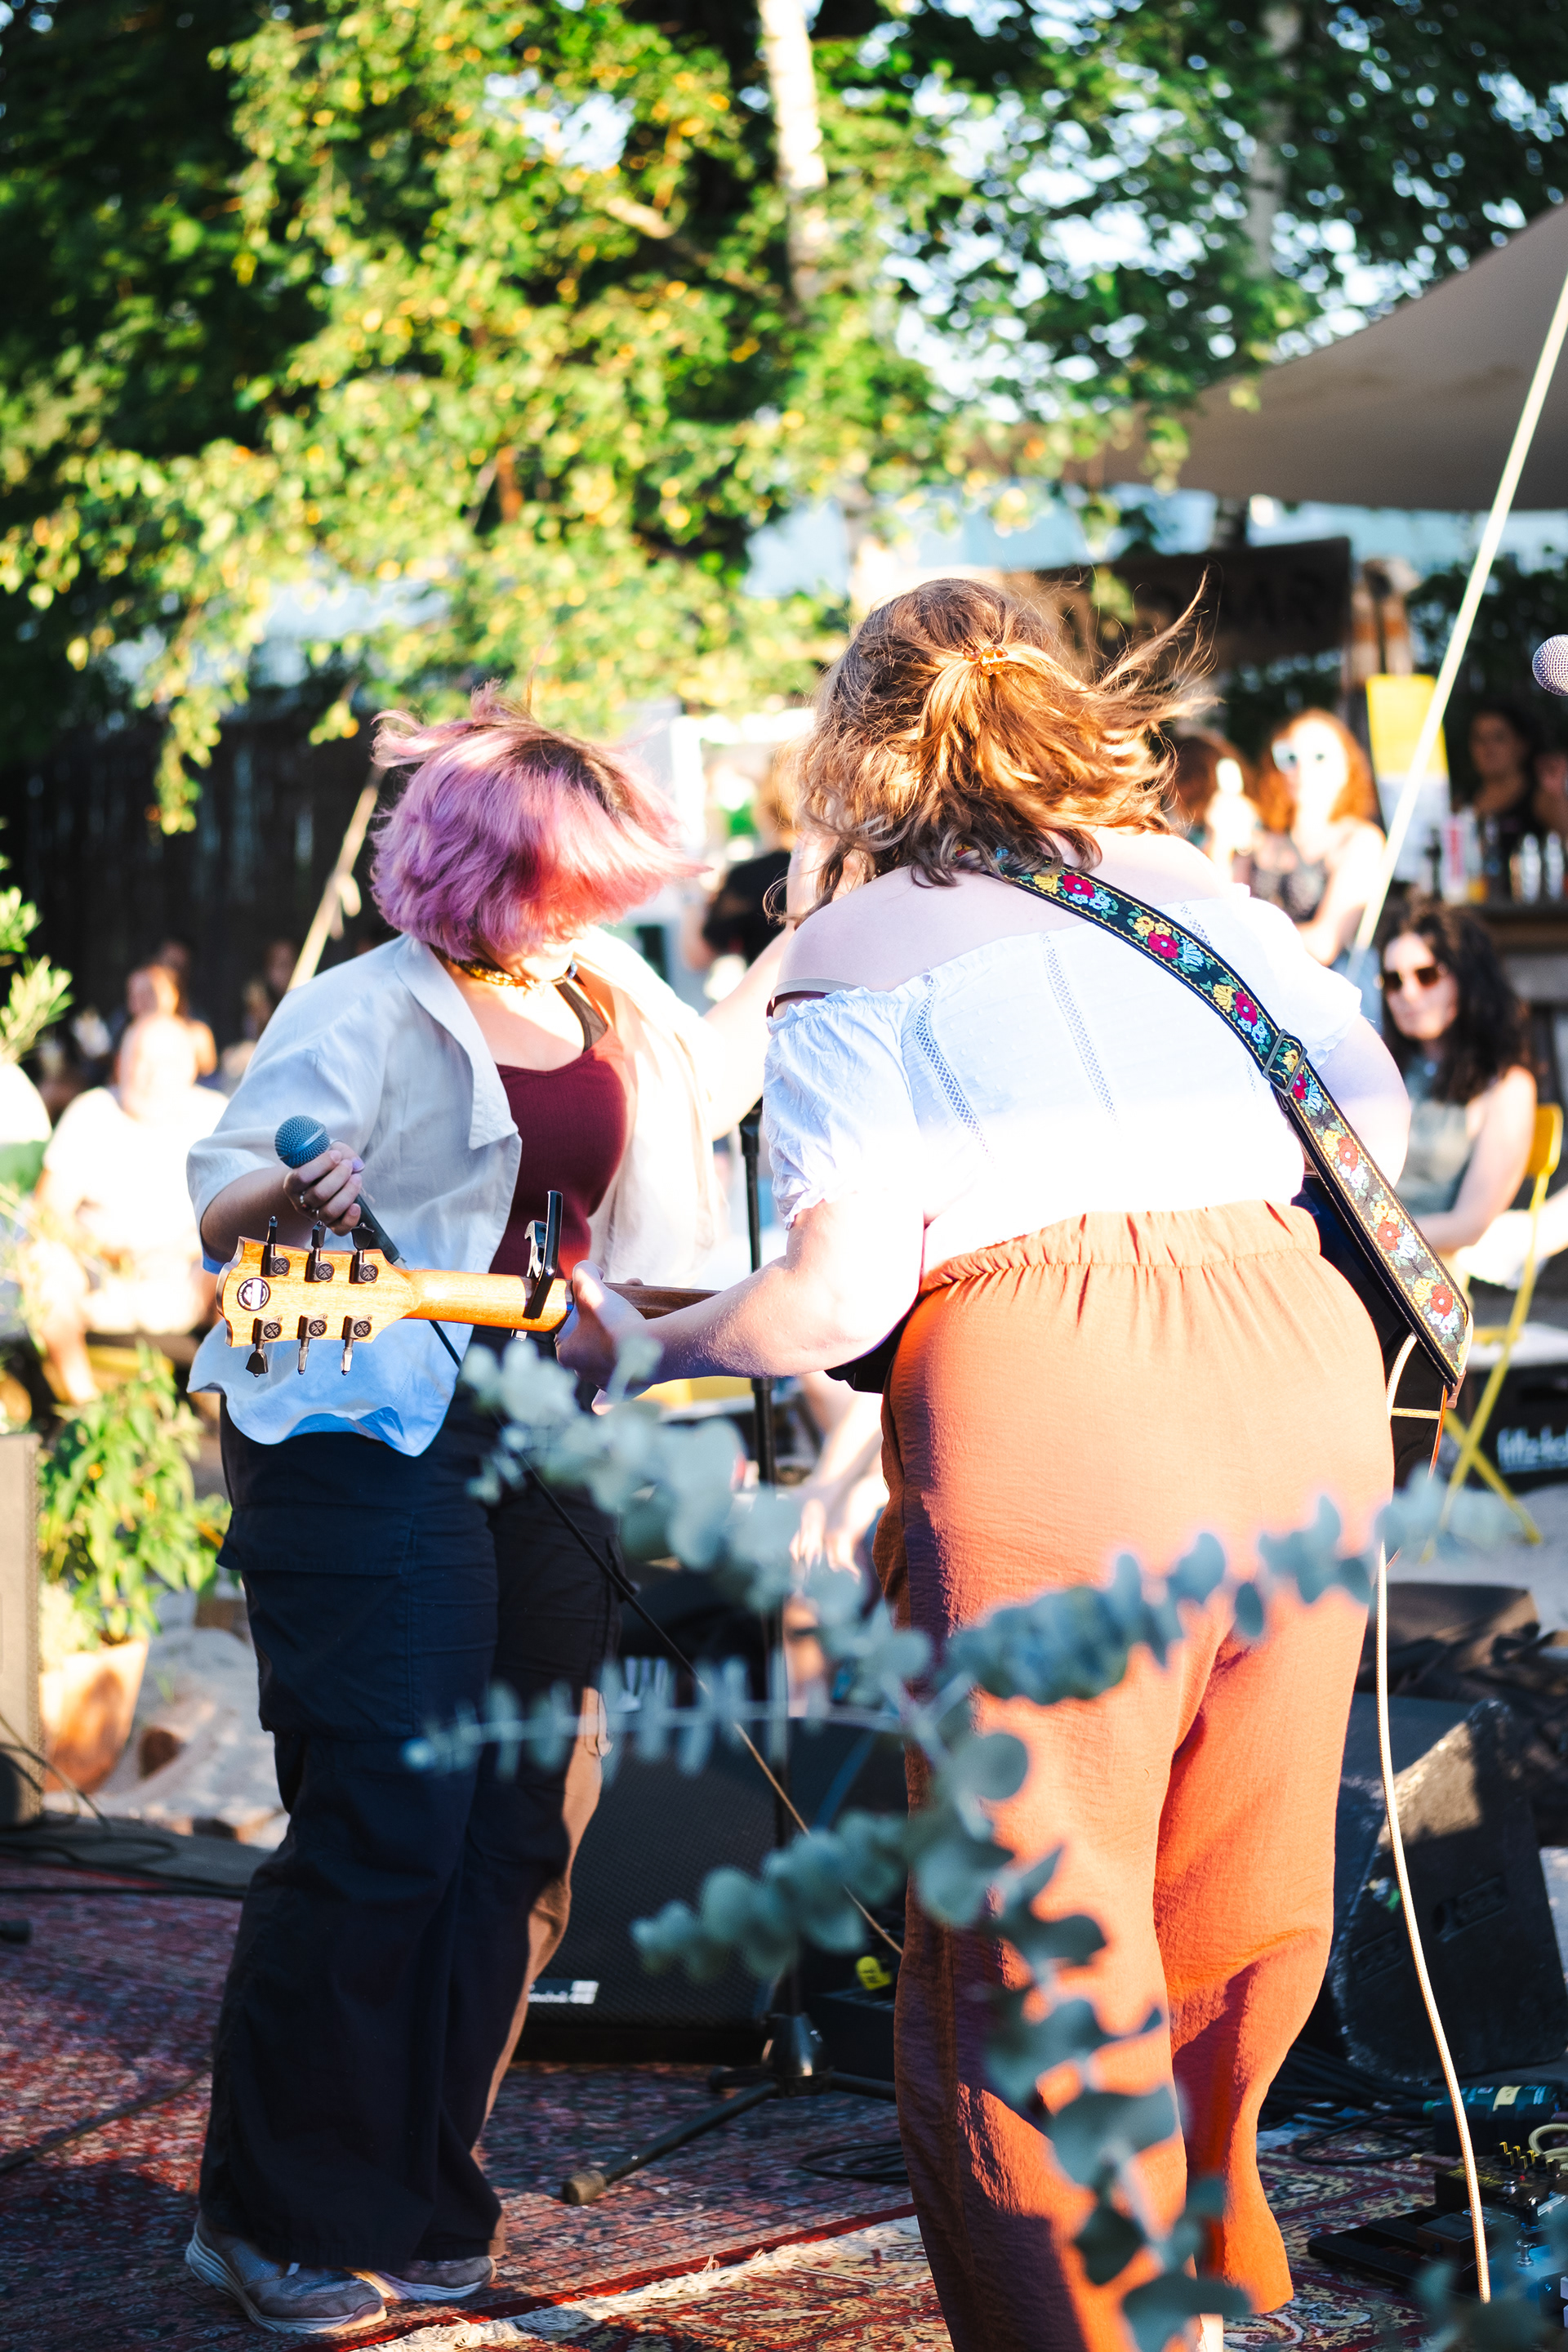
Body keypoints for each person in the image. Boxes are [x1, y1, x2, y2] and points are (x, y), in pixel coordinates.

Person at [563, 579, 1407, 2352]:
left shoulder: (856, 945)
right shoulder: (1198, 892)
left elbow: (837, 1297)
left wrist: (643, 1339)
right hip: (1299, 1360)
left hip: (1057, 1392)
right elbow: (1376, 1124)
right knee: (1240, 1876)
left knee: (1040, 1906)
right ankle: (1197, 2283)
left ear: (861, 743)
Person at [180, 690, 786, 2336]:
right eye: (566, 878)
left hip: (546, 1434)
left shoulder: (604, 988)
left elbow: (700, 1103)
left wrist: (819, 932)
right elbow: (223, 1196)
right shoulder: (365, 1005)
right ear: (484, 864)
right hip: (362, 1429)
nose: (592, 907)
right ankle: (276, 2216)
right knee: (390, 1813)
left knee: (522, 1826)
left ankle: (414, 2189)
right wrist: (291, 1193)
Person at [31, 1013, 225, 1404]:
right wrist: (101, 1249)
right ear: (120, 1063)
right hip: (102, 1280)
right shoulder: (92, 1112)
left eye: (167, 1063)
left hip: (191, 1276)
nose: (153, 1076)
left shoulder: (218, 1116)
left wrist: (188, 1248)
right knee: (40, 1259)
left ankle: (222, 1398)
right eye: (141, 1061)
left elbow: (248, 1214)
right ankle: (86, 1407)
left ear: (190, 1069)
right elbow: (45, 1214)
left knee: (247, 1263)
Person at [1381, 897, 1537, 1258]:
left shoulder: (1506, 1086)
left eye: (1427, 975)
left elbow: (1469, 1226)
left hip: (1420, 1272)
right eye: (1392, 980)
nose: (1408, 993)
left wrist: (1368, 1239)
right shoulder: (1383, 1067)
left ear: (1467, 979)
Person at [1246, 707, 1386, 964]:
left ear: (1347, 767)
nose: (1302, 768)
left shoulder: (1360, 840)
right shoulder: (1259, 837)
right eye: (1289, 757)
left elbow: (1325, 944)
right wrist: (1220, 840)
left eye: (1319, 756)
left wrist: (1245, 937)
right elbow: (1221, 908)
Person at [1467, 699, 1568, 880]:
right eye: (1479, 739)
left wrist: (1557, 796)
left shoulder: (1542, 798)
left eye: (1498, 738)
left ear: (1521, 745)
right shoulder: (1465, 802)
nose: (1487, 748)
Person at [1168, 728, 1256, 883]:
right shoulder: (1191, 831)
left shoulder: (1229, 824)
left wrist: (1219, 843)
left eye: (1170, 781)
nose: (1166, 790)